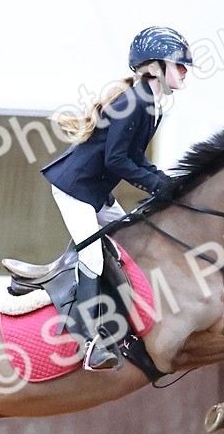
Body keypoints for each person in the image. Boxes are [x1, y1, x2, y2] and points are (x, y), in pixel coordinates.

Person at [39, 26, 191, 371]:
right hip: (74, 189)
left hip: (95, 191)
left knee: (129, 239)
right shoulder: (132, 102)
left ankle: (120, 318)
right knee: (92, 256)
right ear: (154, 67)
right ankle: (86, 341)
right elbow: (116, 160)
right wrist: (156, 186)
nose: (185, 72)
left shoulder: (153, 105)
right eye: (179, 65)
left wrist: (168, 183)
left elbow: (136, 157)